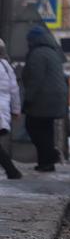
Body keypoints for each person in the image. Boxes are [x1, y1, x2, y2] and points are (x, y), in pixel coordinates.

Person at [20, 24, 66, 172]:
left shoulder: (38, 54)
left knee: (33, 127)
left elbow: (35, 79)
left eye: (29, 40)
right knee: (46, 130)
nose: (28, 42)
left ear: (34, 39)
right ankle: (46, 163)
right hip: (55, 98)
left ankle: (50, 156)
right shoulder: (53, 52)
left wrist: (28, 99)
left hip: (43, 99)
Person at [0, 38, 22, 180]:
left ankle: (12, 171)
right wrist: (15, 110)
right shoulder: (6, 66)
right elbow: (14, 91)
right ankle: (12, 171)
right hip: (3, 111)